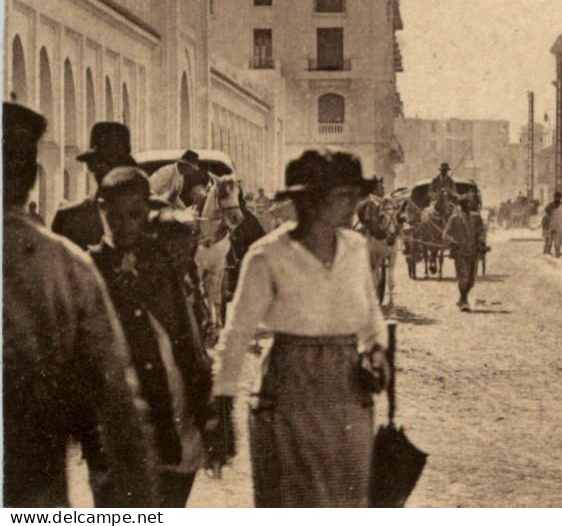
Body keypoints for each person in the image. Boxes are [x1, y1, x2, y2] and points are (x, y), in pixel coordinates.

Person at [209, 151, 389, 507]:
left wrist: (377, 351)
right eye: (345, 196)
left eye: (356, 194)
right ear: (312, 201)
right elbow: (236, 334)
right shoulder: (267, 256)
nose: (356, 204)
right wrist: (223, 411)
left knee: (348, 499)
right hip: (289, 391)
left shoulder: (355, 248)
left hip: (348, 393)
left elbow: (371, 317)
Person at [3, 102, 158, 508]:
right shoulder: (65, 260)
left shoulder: (66, 254)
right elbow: (116, 393)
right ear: (32, 176)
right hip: (33, 473)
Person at [89, 168, 217, 506]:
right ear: (101, 210)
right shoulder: (89, 268)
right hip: (115, 424)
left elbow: (187, 339)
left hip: (171, 417)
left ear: (146, 211)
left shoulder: (164, 262)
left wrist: (209, 416)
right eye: (112, 215)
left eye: (132, 214)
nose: (122, 224)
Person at [51, 120, 140, 249]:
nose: (106, 170)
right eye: (100, 162)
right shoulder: (68, 218)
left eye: (113, 162)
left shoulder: (150, 214)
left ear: (126, 166)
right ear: (91, 166)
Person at [445, 196, 483, 311]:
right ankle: (464, 300)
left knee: (471, 280)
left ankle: (462, 299)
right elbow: (445, 234)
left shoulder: (477, 218)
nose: (469, 206)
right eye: (466, 204)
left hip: (473, 251)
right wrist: (454, 241)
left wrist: (481, 242)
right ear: (461, 205)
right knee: (463, 278)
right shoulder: (454, 219)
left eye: (470, 203)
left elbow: (481, 232)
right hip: (460, 252)